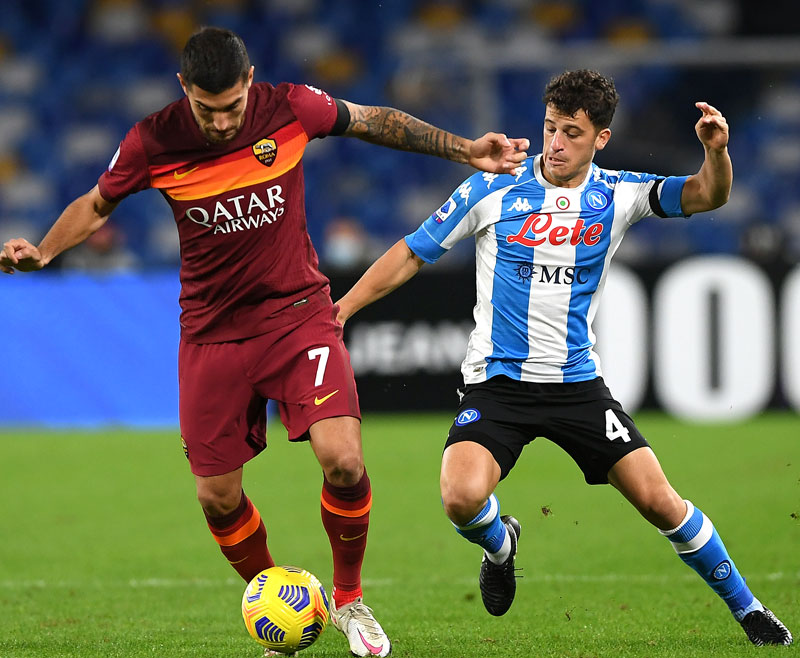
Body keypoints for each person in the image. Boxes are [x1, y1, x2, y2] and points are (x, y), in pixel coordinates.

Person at [0, 27, 529, 658]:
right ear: (183, 89)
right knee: (216, 496)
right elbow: (96, 204)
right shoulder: (152, 140)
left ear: (250, 80)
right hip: (211, 334)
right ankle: (276, 598)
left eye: (232, 106)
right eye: (207, 110)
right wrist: (45, 251)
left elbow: (371, 120)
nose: (223, 122)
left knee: (344, 460)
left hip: (298, 315)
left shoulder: (291, 108)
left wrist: (464, 149)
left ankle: (349, 600)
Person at [334, 69, 793, 647]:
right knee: (460, 497)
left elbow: (709, 194)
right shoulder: (491, 187)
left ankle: (750, 611)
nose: (555, 143)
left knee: (660, 502)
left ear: (601, 138)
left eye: (572, 133)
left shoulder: (620, 193)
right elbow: (411, 252)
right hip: (498, 384)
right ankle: (501, 545)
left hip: (577, 386)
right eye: (550, 127)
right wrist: (342, 310)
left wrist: (716, 152)